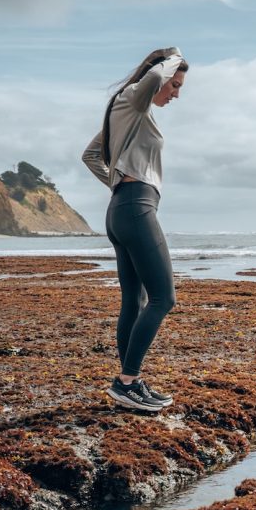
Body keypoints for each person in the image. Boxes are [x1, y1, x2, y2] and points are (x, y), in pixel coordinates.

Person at [82, 47, 189, 412]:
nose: (175, 93)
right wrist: (176, 56)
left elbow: (90, 155)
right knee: (164, 298)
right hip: (135, 206)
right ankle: (126, 382)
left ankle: (129, 381)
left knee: (136, 300)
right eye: (175, 85)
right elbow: (157, 78)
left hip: (122, 205)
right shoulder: (135, 98)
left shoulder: (126, 112)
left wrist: (116, 184)